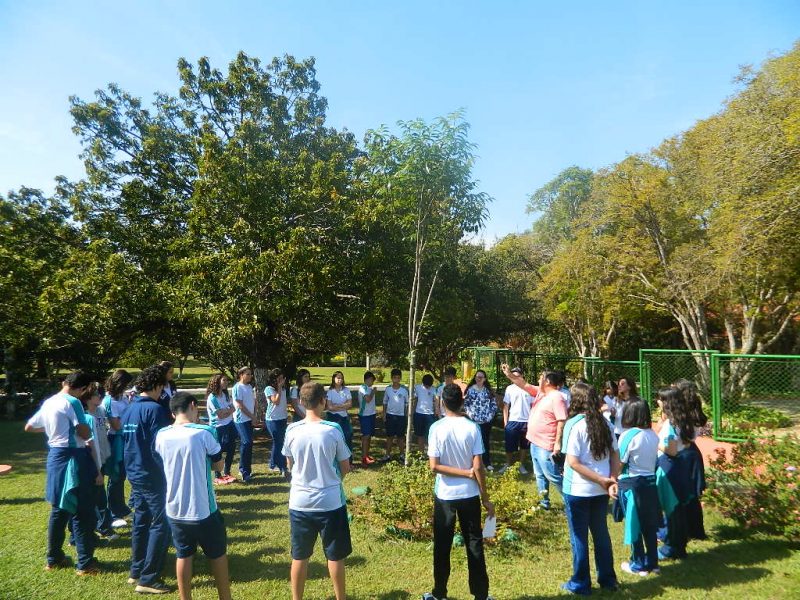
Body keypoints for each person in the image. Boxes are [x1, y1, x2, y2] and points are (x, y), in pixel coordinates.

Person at [155, 392, 232, 600]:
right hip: (203, 507)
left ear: (172, 413)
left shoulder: (161, 434)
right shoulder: (204, 432)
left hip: (174, 507)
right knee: (217, 554)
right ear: (192, 405)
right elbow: (218, 465)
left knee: (183, 553)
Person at [423, 383, 495, 600]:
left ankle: (439, 594)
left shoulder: (436, 428)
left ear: (443, 403)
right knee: (474, 544)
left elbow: (434, 466)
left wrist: (465, 474)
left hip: (445, 496)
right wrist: (485, 497)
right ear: (462, 401)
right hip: (469, 494)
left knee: (442, 546)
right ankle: (481, 595)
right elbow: (478, 467)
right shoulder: (472, 427)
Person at [25, 371, 99, 575]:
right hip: (74, 458)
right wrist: (82, 430)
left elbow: (29, 426)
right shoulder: (73, 402)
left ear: (65, 382)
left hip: (55, 457)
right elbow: (84, 432)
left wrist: (52, 429)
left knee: (59, 509)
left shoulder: (49, 402)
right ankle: (85, 563)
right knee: (82, 511)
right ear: (82, 389)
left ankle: (54, 558)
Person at [282, 383, 352, 600]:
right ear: (323, 400)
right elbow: (345, 466)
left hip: (300, 502)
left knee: (299, 556)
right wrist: (331, 481)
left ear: (301, 403)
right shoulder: (332, 429)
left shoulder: (292, 430)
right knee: (335, 556)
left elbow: (289, 463)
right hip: (330, 501)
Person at [560, 382, 620, 595]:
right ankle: (608, 580)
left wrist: (605, 480)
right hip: (599, 491)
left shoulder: (575, 425)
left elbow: (573, 462)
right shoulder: (606, 424)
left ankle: (580, 583)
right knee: (601, 534)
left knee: (579, 537)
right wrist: (610, 479)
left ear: (574, 400)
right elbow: (615, 454)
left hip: (578, 490)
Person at [122, 364, 173, 594]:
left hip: (134, 472)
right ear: (157, 385)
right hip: (152, 473)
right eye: (162, 386)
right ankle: (149, 578)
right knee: (162, 522)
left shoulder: (130, 408)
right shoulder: (154, 410)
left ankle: (136, 569)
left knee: (141, 520)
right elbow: (159, 446)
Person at [655, 387, 703, 561]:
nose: (657, 402)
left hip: (670, 469)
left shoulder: (670, 424)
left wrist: (655, 442)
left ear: (667, 403)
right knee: (678, 508)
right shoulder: (684, 420)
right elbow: (687, 444)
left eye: (660, 399)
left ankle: (670, 547)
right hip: (680, 468)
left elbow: (671, 450)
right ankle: (679, 546)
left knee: (672, 510)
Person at [615, 399, 661, 576]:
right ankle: (653, 562)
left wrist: (611, 479)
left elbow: (620, 462)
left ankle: (638, 563)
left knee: (634, 523)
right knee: (649, 525)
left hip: (631, 484)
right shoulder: (652, 434)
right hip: (650, 483)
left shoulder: (629, 435)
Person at [525, 371, 568, 510]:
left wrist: (557, 443)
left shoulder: (556, 397)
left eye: (540, 378)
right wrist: (509, 374)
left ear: (547, 382)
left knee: (553, 476)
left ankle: (571, 503)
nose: (538, 380)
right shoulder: (543, 394)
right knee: (540, 475)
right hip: (535, 443)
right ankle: (544, 503)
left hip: (546, 445)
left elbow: (561, 420)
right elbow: (523, 384)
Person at [673, 379, 707, 541]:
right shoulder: (695, 410)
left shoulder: (681, 413)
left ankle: (685, 530)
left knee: (683, 494)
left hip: (684, 454)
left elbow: (680, 438)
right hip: (693, 452)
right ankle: (696, 530)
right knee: (692, 496)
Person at [84, 383, 117, 540]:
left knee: (98, 493)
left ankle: (99, 526)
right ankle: (104, 528)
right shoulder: (84, 417)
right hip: (91, 460)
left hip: (103, 457)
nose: (100, 396)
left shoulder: (101, 411)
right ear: (89, 398)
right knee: (97, 495)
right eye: (97, 394)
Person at [102, 368, 133, 528]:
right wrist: (128, 420)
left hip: (125, 438)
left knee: (121, 476)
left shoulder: (122, 397)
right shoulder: (109, 401)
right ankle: (113, 512)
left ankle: (120, 508)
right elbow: (116, 424)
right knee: (115, 476)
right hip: (116, 440)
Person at [499, 367, 534, 475]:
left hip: (526, 421)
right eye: (513, 376)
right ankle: (508, 464)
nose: (515, 378)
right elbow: (506, 405)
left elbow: (533, 405)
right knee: (509, 445)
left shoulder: (528, 388)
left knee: (524, 445)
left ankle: (521, 465)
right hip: (513, 420)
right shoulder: (509, 388)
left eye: (517, 376)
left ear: (522, 376)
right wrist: (506, 421)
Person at [463, 370, 498, 471]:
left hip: (486, 422)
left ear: (484, 379)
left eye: (481, 377)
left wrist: (490, 417)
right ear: (475, 378)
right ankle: (472, 463)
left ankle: (487, 463)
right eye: (477, 377)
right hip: (473, 421)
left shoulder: (488, 391)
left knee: (485, 442)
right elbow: (466, 405)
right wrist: (471, 415)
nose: (479, 379)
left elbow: (494, 405)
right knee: (472, 442)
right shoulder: (470, 390)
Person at [206, 374, 237, 484]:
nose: (226, 382)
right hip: (218, 427)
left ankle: (227, 472)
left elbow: (233, 408)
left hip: (229, 424)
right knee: (218, 450)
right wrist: (228, 410)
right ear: (217, 382)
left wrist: (227, 411)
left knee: (231, 448)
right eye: (224, 380)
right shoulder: (212, 398)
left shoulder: (225, 394)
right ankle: (217, 475)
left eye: (227, 380)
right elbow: (220, 415)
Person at [231, 367, 257, 482]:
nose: (250, 376)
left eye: (250, 374)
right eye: (248, 374)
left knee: (249, 444)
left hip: (249, 419)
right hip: (241, 420)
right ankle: (243, 471)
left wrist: (254, 416)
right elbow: (240, 405)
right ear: (241, 375)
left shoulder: (249, 386)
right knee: (246, 442)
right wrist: (252, 416)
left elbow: (253, 402)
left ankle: (248, 470)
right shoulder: (237, 387)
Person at [264, 368, 290, 478]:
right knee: (278, 441)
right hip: (272, 419)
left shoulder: (284, 388)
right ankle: (281, 465)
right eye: (279, 378)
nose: (281, 380)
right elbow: (276, 401)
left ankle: (273, 464)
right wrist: (279, 387)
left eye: (282, 378)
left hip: (282, 418)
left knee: (279, 442)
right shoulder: (269, 389)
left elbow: (284, 402)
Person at [380, 368, 409, 462]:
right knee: (389, 437)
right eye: (394, 377)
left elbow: (407, 404)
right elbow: (385, 402)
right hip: (390, 415)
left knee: (400, 437)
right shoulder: (388, 389)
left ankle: (402, 455)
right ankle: (387, 455)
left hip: (401, 417)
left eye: (398, 377)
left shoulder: (404, 390)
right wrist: (384, 414)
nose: (396, 379)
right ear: (391, 378)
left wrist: (406, 416)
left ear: (400, 378)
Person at [326, 371, 354, 458]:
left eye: (341, 378)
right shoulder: (330, 391)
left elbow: (350, 404)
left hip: (344, 417)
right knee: (333, 438)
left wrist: (337, 406)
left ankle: (348, 459)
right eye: (338, 378)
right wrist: (343, 406)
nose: (340, 380)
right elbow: (329, 407)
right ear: (333, 379)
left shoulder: (346, 390)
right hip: (332, 417)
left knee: (347, 436)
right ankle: (334, 458)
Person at [413, 374, 439, 453]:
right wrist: (412, 412)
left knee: (430, 435)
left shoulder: (434, 389)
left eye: (429, 385)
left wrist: (436, 411)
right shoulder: (417, 388)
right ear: (423, 383)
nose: (428, 387)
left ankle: (430, 453)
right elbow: (415, 400)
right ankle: (421, 453)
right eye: (426, 385)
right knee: (420, 435)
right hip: (419, 414)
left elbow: (436, 400)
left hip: (430, 415)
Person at [357, 371, 377, 466]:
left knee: (369, 436)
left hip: (371, 414)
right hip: (365, 415)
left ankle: (366, 455)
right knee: (366, 436)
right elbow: (368, 399)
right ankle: (364, 458)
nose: (372, 382)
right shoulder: (363, 388)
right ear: (367, 379)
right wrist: (373, 392)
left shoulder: (369, 388)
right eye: (371, 380)